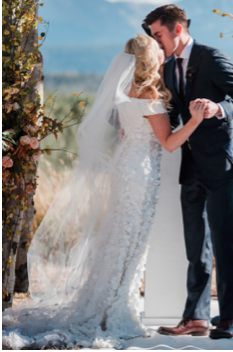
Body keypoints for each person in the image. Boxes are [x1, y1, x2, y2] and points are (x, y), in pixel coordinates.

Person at [2, 34, 206, 349]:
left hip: (124, 165)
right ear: (150, 60)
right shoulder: (151, 94)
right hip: (141, 172)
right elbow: (168, 143)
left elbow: (128, 127)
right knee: (131, 242)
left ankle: (102, 303)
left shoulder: (124, 91)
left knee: (117, 237)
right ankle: (118, 310)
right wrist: (194, 121)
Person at [143, 5, 233, 340]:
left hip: (222, 163)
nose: (156, 43)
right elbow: (175, 112)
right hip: (191, 164)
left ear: (177, 30)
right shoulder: (166, 67)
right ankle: (195, 317)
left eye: (159, 35)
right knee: (196, 243)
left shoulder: (211, 57)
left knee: (222, 241)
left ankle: (229, 319)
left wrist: (219, 108)